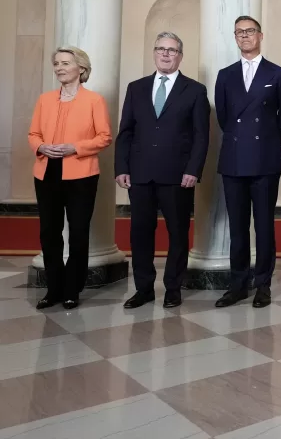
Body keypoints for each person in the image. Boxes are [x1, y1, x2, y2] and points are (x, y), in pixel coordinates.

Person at [115, 32, 210, 310]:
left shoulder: (195, 90)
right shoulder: (136, 88)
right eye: (161, 49)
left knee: (178, 233)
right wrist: (121, 167)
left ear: (180, 56)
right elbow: (126, 131)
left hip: (178, 175)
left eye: (172, 50)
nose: (166, 54)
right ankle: (143, 289)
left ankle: (173, 288)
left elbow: (201, 136)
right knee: (140, 233)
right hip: (140, 173)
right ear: (154, 53)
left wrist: (193, 169)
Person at [213, 15, 281, 309]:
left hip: (264, 160)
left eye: (249, 31)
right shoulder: (225, 74)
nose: (244, 36)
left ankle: (263, 285)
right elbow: (224, 118)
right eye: (239, 32)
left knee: (264, 226)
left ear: (260, 35)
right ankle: (238, 285)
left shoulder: (278, 73)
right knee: (237, 228)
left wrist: (267, 143)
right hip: (234, 159)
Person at [28, 46, 112, 310]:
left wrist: (75, 147)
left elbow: (104, 137)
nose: (59, 68)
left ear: (81, 68)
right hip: (46, 173)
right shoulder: (44, 100)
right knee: (49, 233)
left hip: (81, 175)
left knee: (78, 232)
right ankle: (53, 289)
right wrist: (41, 147)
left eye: (65, 63)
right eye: (56, 63)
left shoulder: (94, 100)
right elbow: (33, 134)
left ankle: (72, 290)